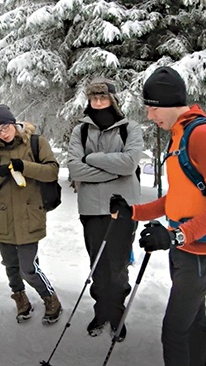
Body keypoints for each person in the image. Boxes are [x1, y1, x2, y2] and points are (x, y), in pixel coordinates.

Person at [110, 66, 206, 364]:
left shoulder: (203, 136)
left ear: (168, 103)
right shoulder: (178, 136)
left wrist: (176, 235)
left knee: (174, 331)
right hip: (182, 249)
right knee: (194, 321)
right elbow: (177, 198)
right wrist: (134, 212)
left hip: (201, 253)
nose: (150, 116)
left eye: (152, 108)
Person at [67, 78, 143, 342]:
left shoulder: (130, 128)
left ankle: (117, 314)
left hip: (122, 207)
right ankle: (101, 312)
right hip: (90, 208)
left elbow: (129, 163)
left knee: (118, 265)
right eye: (93, 98)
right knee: (97, 265)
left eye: (103, 98)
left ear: (113, 99)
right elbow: (74, 169)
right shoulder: (81, 131)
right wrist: (112, 171)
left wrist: (91, 160)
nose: (98, 103)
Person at [0, 105, 63, 324]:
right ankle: (21, 299)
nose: (3, 133)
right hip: (3, 217)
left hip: (29, 215)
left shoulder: (36, 142)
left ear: (14, 123)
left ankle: (50, 299)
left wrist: (24, 166)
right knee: (10, 266)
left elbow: (52, 172)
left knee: (28, 267)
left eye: (6, 127)